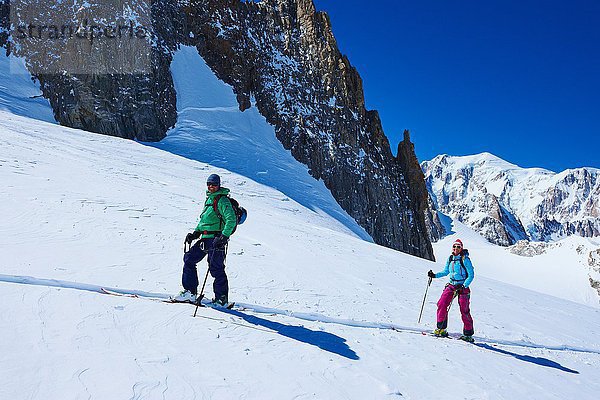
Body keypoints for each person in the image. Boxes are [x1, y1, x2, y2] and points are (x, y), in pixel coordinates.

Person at [172, 173, 237, 306]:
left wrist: (224, 236)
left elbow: (231, 219)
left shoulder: (222, 200)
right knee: (189, 259)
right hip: (205, 238)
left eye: (214, 184)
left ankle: (222, 299)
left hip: (216, 239)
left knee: (216, 268)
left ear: (219, 185)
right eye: (209, 184)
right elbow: (204, 220)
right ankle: (190, 292)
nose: (211, 186)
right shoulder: (209, 200)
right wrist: (195, 233)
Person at [427, 239, 475, 342]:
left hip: (462, 287)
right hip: (452, 285)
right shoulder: (450, 258)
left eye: (458, 246)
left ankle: (468, 334)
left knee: (464, 310)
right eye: (454, 246)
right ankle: (441, 328)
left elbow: (471, 275)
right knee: (441, 304)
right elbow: (446, 272)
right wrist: (434, 275)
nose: (456, 248)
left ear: (461, 248)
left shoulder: (465, 259)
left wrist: (464, 286)